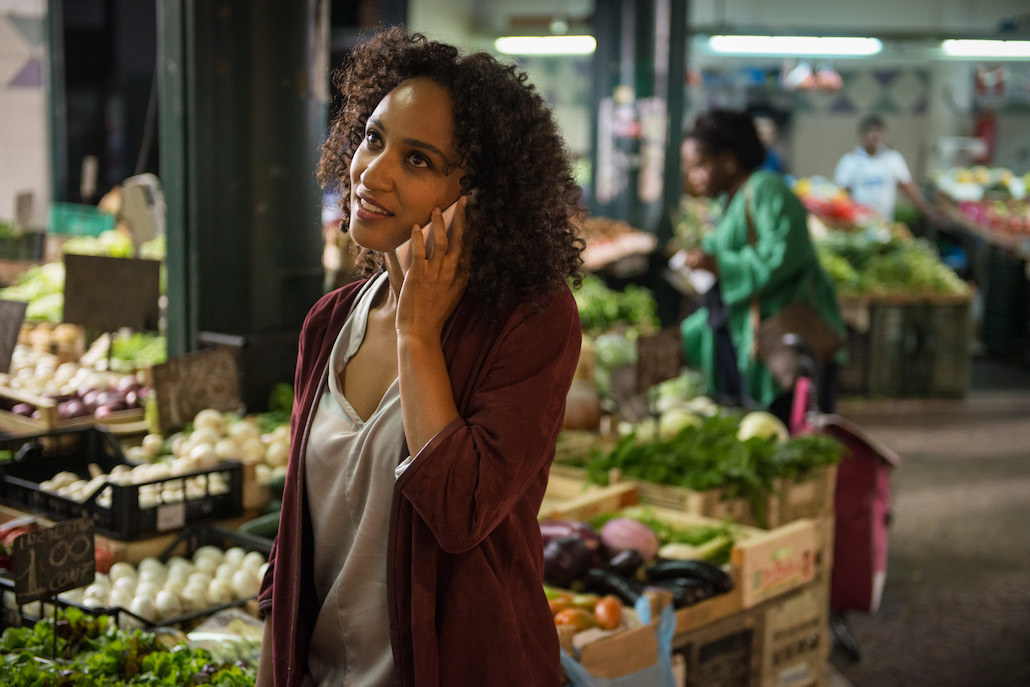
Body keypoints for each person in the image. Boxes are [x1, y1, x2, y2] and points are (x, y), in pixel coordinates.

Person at [256, 28, 585, 687]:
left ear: (481, 197)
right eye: (374, 138)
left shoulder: (531, 323)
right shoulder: (328, 322)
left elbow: (460, 511)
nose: (371, 172)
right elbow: (297, 540)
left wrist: (417, 331)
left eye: (419, 161)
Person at [678, 109, 845, 416]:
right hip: (755, 342)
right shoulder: (731, 200)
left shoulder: (767, 189)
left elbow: (780, 256)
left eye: (700, 166)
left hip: (784, 343)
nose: (694, 177)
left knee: (792, 435)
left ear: (728, 160)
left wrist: (720, 264)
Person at [833, 114, 939, 222]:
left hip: (885, 221)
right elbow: (840, 194)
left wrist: (929, 211)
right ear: (861, 135)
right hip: (858, 222)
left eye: (878, 131)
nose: (874, 135)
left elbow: (908, 189)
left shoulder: (893, 159)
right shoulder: (850, 160)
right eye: (869, 131)